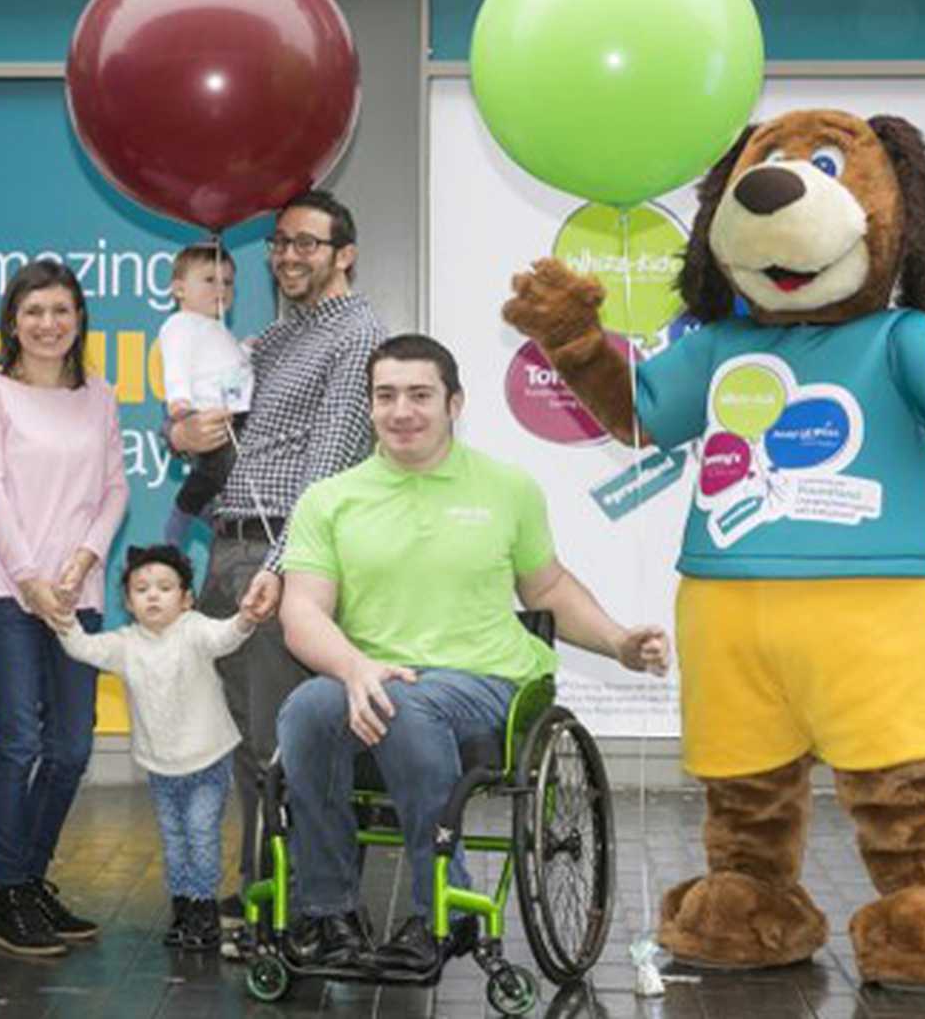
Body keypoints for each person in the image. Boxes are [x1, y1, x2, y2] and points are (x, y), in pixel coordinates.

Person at [273, 334, 670, 974]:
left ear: (454, 403)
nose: (402, 410)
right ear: (369, 405)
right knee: (304, 711)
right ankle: (328, 912)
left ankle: (443, 911)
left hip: (486, 679)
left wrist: (619, 641)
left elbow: (548, 589)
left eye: (420, 395)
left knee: (403, 705)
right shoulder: (330, 499)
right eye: (386, 396)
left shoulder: (506, 487)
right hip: (369, 674)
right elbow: (302, 612)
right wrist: (353, 667)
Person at [169, 189, 385, 918]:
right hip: (230, 549)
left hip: (282, 558)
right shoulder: (272, 339)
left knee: (284, 740)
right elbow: (217, 425)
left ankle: (308, 901)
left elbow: (327, 466)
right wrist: (184, 434)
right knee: (245, 740)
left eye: (308, 244)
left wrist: (280, 567)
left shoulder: (355, 336)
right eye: (281, 242)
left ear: (344, 255)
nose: (289, 255)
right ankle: (265, 888)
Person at [0, 259, 130, 956]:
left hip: (76, 594)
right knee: (19, 740)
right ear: (11, 321)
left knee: (71, 748)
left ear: (79, 319)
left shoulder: (100, 395)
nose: (48, 324)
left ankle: (27, 881)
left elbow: (115, 489)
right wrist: (28, 577)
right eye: (34, 311)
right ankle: (7, 893)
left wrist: (85, 559)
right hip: (4, 592)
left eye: (61, 310)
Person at [48, 545, 268, 952]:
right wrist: (65, 622)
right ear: (128, 603)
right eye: (142, 588)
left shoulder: (196, 629)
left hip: (207, 758)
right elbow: (84, 649)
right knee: (173, 839)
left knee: (201, 835)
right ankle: (182, 907)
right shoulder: (125, 643)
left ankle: (204, 911)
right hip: (160, 766)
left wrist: (245, 618)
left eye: (165, 588)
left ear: (186, 600)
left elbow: (227, 636)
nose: (153, 595)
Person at [156, 243, 254, 548]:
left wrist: (247, 350)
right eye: (209, 280)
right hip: (211, 415)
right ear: (179, 289)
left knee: (224, 472)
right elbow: (176, 363)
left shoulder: (215, 327)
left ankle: (208, 512)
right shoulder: (179, 325)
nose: (221, 289)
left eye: (227, 282)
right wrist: (179, 401)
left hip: (236, 411)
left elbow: (228, 363)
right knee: (218, 467)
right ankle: (183, 514)